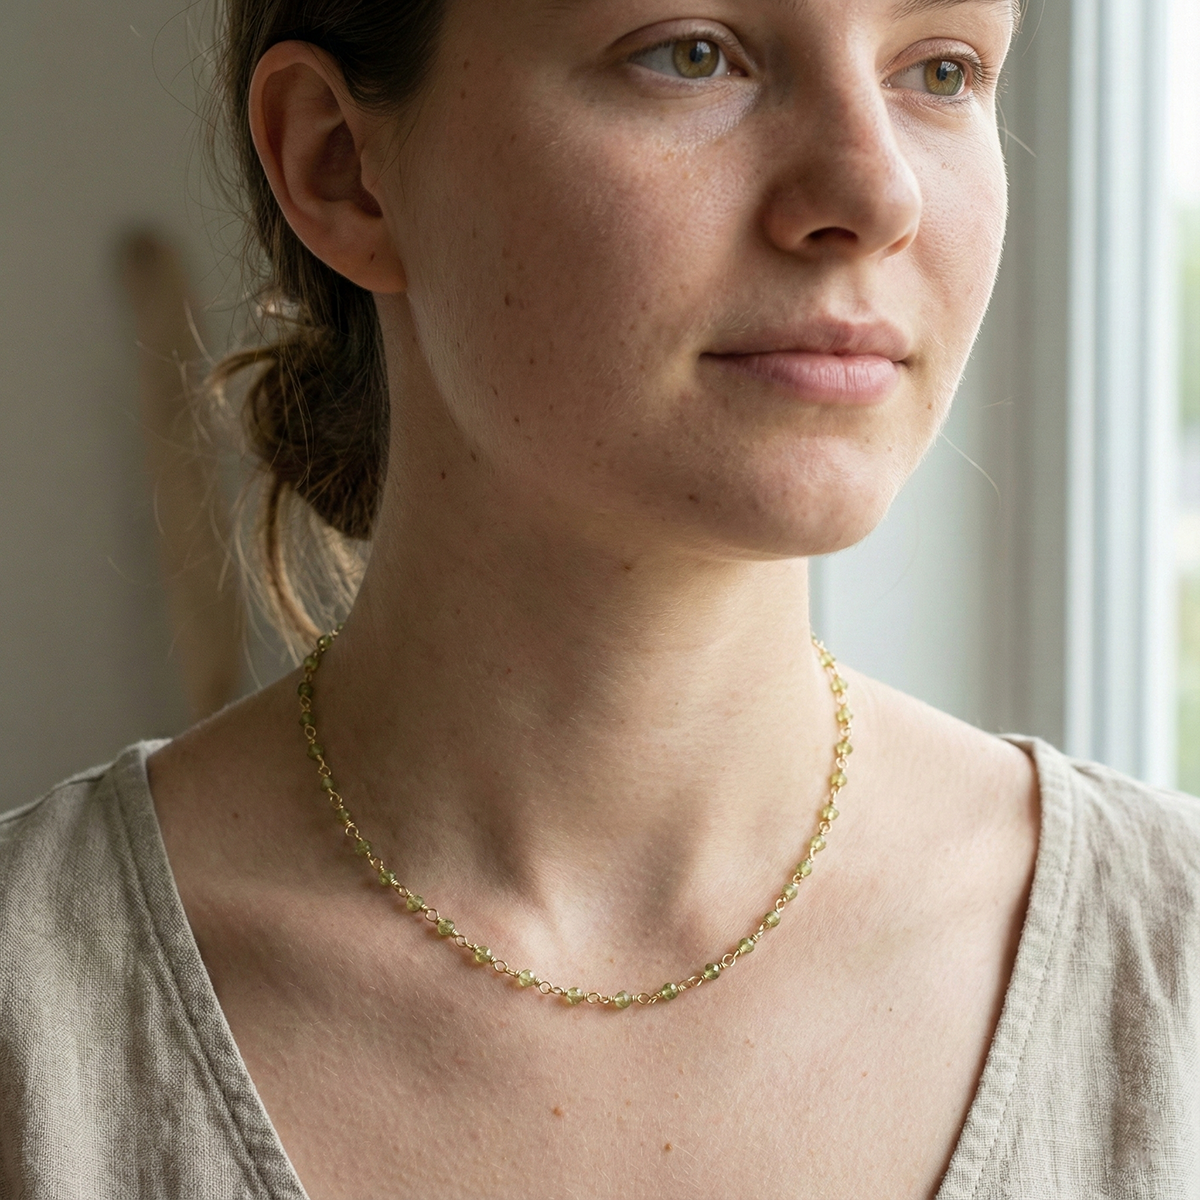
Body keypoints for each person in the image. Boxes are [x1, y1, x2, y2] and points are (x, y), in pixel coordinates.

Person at [3, 0, 1199, 1196]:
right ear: (340, 167)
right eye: (693, 53)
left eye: (941, 71)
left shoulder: (1172, 970)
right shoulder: (37, 1026)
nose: (877, 192)